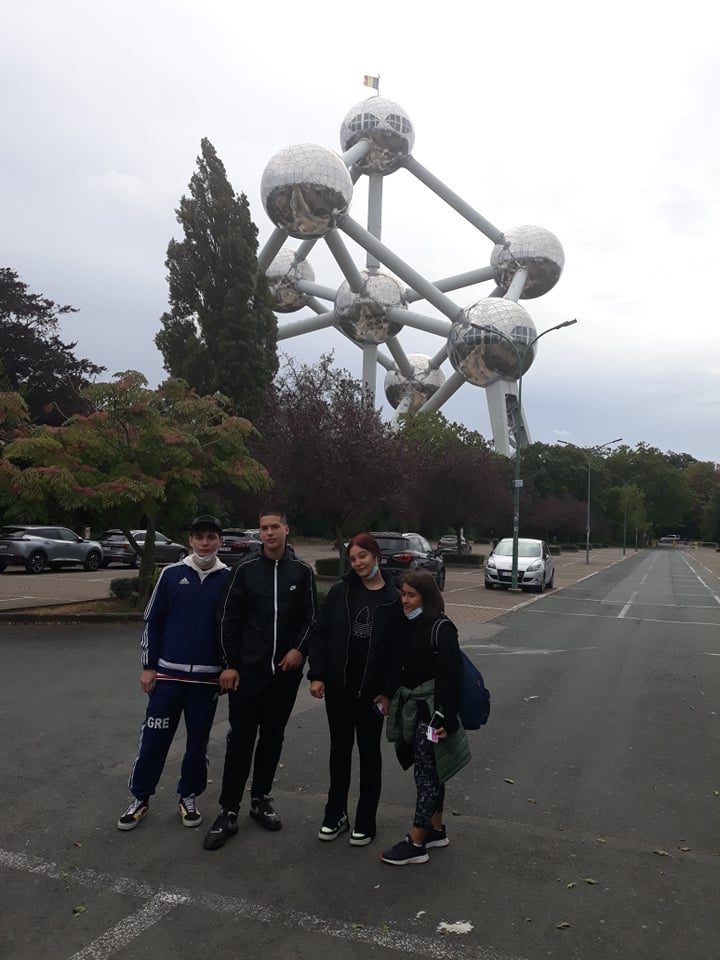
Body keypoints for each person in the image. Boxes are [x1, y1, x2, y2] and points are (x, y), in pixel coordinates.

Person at [202, 507, 317, 851]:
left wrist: (299, 650)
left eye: (274, 527)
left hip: (284, 675)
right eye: (264, 527)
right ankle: (228, 810)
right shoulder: (245, 569)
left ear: (286, 529)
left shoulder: (302, 572)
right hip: (248, 674)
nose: (269, 533)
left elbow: (312, 618)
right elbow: (227, 618)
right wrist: (228, 665)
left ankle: (261, 799)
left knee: (272, 738)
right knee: (240, 739)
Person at [117, 515, 229, 831]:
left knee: (197, 744)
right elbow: (153, 622)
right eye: (199, 537)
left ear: (220, 541)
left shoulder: (229, 579)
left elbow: (233, 630)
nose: (205, 543)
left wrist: (227, 666)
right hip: (168, 676)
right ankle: (140, 797)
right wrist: (149, 667)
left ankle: (188, 796)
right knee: (154, 740)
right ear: (190, 541)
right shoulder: (171, 575)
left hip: (206, 679)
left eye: (211, 537)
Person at [308, 533, 403, 847]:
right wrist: (317, 675)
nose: (358, 563)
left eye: (363, 556)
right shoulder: (341, 591)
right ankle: (335, 814)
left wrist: (388, 691)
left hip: (372, 694)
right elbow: (320, 634)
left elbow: (397, 652)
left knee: (369, 755)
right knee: (339, 752)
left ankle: (366, 818)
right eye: (353, 558)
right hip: (339, 689)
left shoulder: (393, 598)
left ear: (376, 556)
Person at [377, 570, 470, 865]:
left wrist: (446, 718)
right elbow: (397, 664)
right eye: (403, 594)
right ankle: (436, 829)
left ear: (426, 597)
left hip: (431, 713)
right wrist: (387, 693)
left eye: (411, 595)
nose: (404, 600)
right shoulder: (407, 624)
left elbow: (452, 677)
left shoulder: (442, 629)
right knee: (432, 771)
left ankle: (416, 842)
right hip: (414, 709)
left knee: (426, 776)